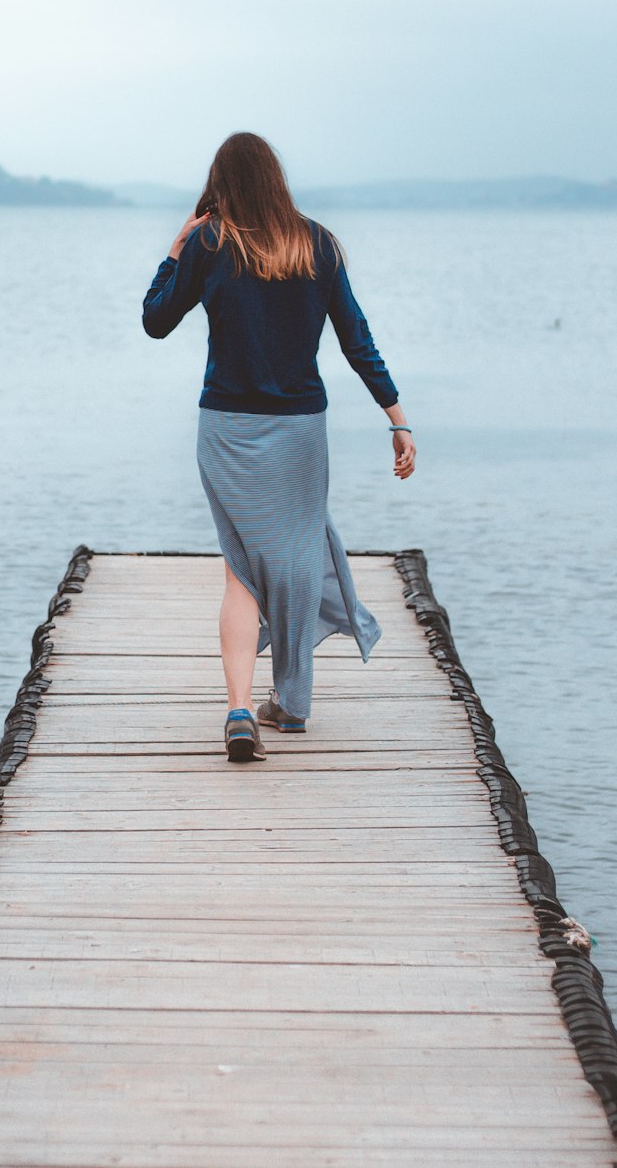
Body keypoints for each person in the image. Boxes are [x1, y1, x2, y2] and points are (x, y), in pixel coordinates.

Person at [142, 131, 416, 763]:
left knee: (242, 567)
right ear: (275, 179)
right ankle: (290, 702)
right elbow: (357, 339)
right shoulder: (316, 243)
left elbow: (156, 320)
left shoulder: (210, 244)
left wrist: (176, 248)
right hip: (299, 432)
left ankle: (241, 709)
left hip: (227, 429)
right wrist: (396, 418)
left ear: (222, 184)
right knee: (291, 559)